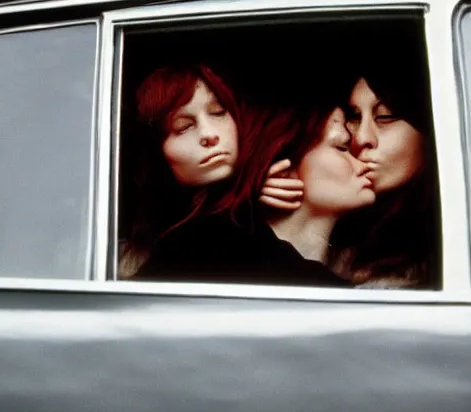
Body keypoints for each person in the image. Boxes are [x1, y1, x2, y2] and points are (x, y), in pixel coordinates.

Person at [132, 88, 375, 287]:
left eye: (217, 112)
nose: (361, 162)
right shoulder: (199, 252)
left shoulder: (368, 273)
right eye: (342, 147)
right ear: (282, 161)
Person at [260, 58, 439, 289]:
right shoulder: (343, 220)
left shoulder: (440, 247)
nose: (361, 138)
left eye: (385, 116)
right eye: (354, 117)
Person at [118, 63, 246, 278]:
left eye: (218, 112)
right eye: (183, 127)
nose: (208, 134)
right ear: (158, 153)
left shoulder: (261, 209)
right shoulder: (169, 250)